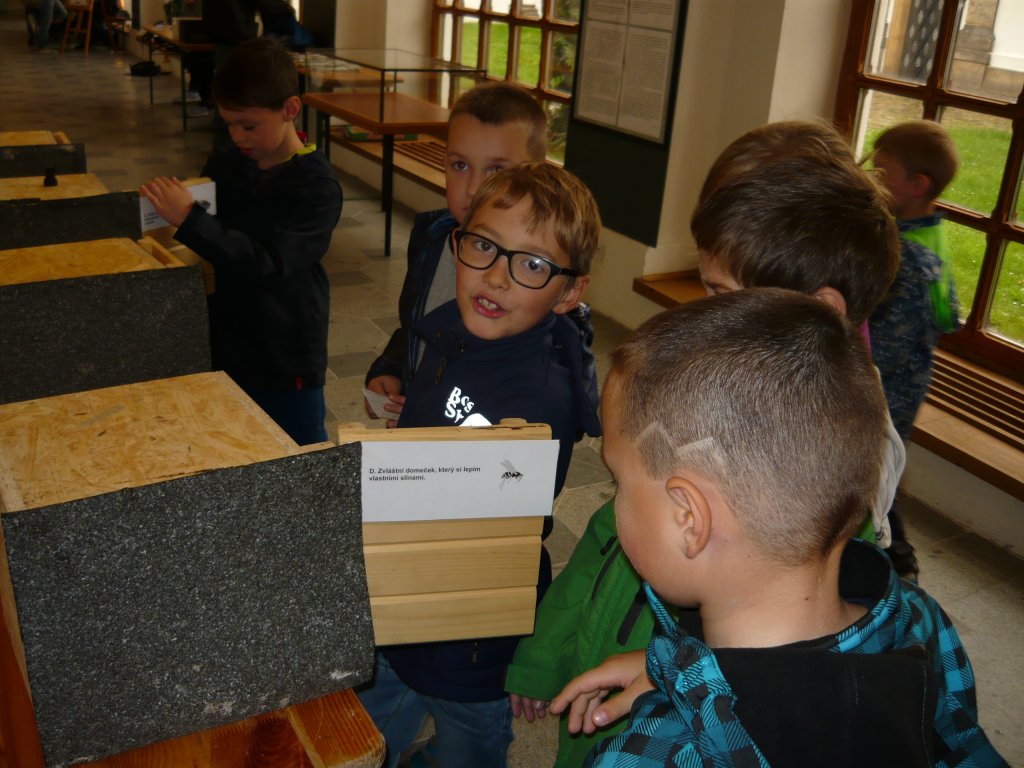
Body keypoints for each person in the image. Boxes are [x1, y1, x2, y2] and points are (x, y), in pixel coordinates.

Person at [505, 120, 902, 768]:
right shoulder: (705, 403)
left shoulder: (830, 470)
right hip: (634, 667)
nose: (699, 312)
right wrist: (555, 653)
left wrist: (679, 672)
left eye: (720, 293)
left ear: (820, 309)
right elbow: (605, 545)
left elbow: (790, 628)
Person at [551, 288, 1007, 767]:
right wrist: (674, 672)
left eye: (618, 482)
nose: (614, 499)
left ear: (688, 518)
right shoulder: (920, 618)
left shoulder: (651, 755)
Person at [357, 162, 602, 768]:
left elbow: (507, 531)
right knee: (361, 736)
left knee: (467, 750)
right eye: (484, 246)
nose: (495, 275)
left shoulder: (539, 398)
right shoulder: (449, 334)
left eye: (532, 264)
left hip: (473, 640)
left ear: (568, 293)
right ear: (457, 243)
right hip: (404, 606)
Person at [139, 37, 342, 445]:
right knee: (233, 442)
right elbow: (213, 239)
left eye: (248, 125)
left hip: (286, 353)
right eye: (228, 123)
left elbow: (270, 264)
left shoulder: (317, 187)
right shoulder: (227, 163)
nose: (237, 136)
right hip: (229, 339)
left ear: (290, 109)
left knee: (297, 450)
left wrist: (190, 218)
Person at [363, 80, 550, 426]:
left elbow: (528, 395)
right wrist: (392, 368)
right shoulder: (432, 238)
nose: (474, 188)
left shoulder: (539, 278)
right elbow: (418, 324)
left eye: (497, 170)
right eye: (460, 165)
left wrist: (429, 417)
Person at [867, 119, 961, 579]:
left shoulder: (906, 259)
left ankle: (899, 565)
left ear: (917, 184)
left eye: (881, 171)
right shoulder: (928, 236)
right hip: (900, 391)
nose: (871, 176)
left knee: (874, 484)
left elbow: (880, 353)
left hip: (885, 396)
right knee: (878, 482)